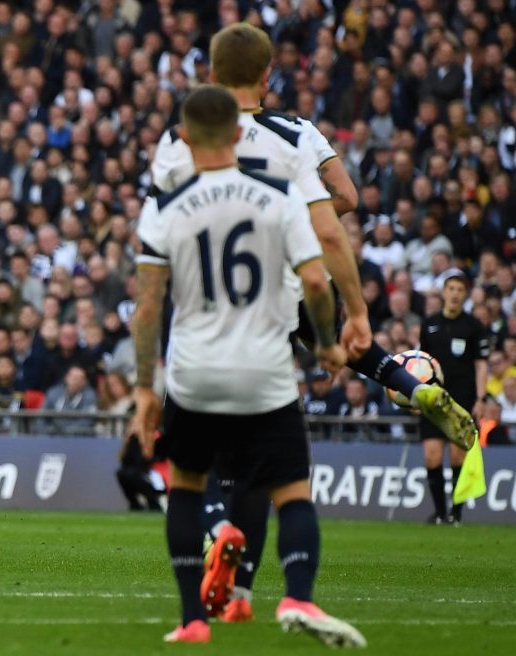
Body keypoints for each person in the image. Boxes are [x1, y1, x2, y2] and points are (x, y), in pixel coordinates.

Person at [150, 22, 477, 624]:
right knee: (311, 385)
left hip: (212, 304)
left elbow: (163, 227)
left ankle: (221, 556)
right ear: (268, 76)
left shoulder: (182, 139)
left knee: (216, 454)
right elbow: (343, 203)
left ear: (213, 77)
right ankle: (408, 383)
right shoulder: (298, 133)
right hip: (290, 277)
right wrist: (307, 235)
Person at [129, 85, 364, 647]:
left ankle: (191, 621)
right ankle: (298, 594)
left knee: (186, 489)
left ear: (184, 138)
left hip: (194, 372)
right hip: (265, 370)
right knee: (290, 491)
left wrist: (144, 388)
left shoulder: (163, 204)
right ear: (237, 134)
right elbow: (313, 279)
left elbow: (147, 308)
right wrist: (328, 341)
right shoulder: (278, 195)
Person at [419, 270, 489, 524]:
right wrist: (414, 396)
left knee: (457, 456)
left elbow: (481, 365)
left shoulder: (473, 326)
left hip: (462, 399)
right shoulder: (429, 324)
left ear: (465, 294)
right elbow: (421, 363)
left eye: (460, 289)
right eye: (451, 288)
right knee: (431, 455)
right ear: (444, 292)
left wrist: (480, 399)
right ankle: (439, 513)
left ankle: (456, 513)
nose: (455, 294)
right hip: (432, 399)